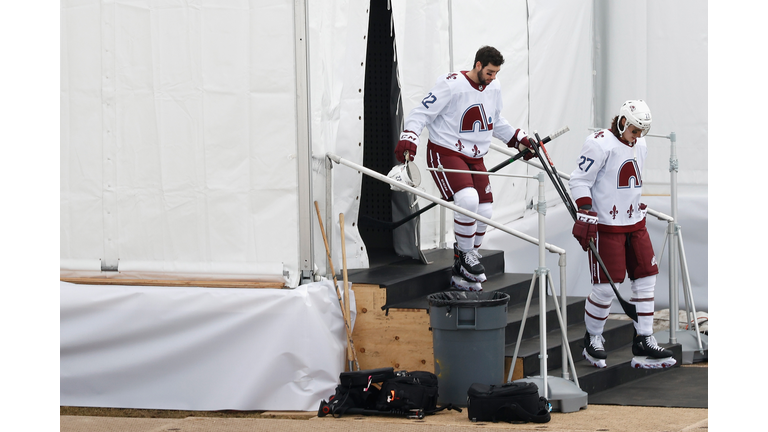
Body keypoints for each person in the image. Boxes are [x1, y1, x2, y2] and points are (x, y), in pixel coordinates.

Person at [394, 46, 534, 292]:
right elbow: (422, 112)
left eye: (496, 73)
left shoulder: (494, 87)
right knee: (467, 199)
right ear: (478, 65)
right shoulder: (451, 84)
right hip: (446, 151)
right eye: (490, 72)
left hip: (475, 155)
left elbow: (495, 120)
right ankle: (465, 257)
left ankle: (465, 264)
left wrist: (519, 139)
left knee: (485, 210)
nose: (493, 78)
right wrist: (409, 137)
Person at [569, 100, 676, 369]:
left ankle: (644, 339)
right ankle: (593, 338)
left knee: (646, 279)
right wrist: (585, 208)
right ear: (622, 122)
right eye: (635, 130)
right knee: (605, 288)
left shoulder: (641, 144)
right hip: (607, 226)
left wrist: (633, 201)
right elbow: (579, 179)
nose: (638, 136)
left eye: (642, 131)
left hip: (634, 221)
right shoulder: (599, 142)